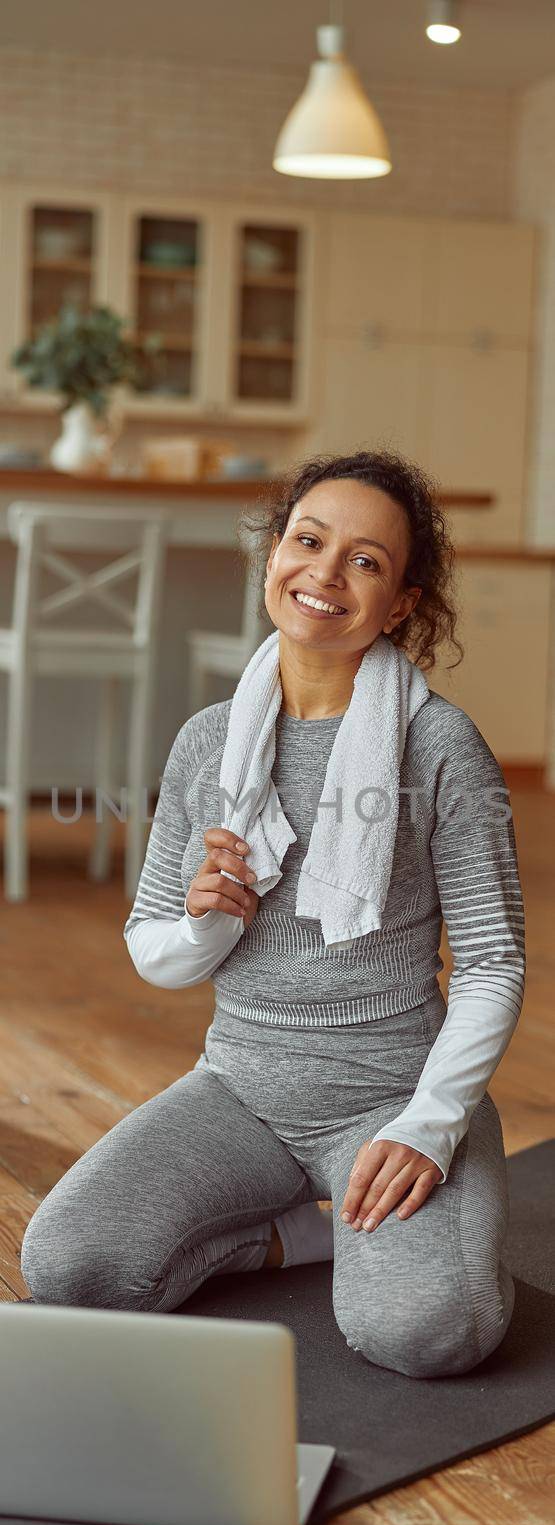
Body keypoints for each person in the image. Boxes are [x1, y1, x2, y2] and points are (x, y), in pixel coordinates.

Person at [20, 449, 525, 1379]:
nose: (325, 575)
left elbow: (493, 961)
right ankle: (297, 1236)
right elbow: (155, 950)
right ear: (271, 560)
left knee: (424, 1331)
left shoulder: (442, 746)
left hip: (388, 1095)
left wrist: (431, 1121)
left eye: (365, 561)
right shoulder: (208, 742)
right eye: (307, 540)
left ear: (402, 603)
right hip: (240, 1089)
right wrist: (210, 921)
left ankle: (441, 1190)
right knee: (71, 1266)